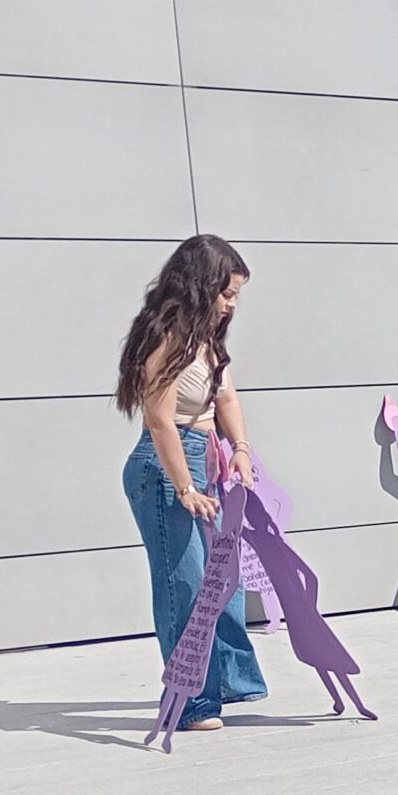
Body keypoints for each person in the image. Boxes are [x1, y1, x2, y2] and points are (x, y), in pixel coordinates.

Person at [115, 235, 266, 733]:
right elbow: (160, 420)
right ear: (201, 285)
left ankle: (226, 683)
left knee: (224, 581)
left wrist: (240, 449)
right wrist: (184, 488)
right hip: (165, 469)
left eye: (236, 295)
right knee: (186, 586)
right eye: (227, 293)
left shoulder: (206, 341)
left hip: (204, 463)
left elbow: (226, 399)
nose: (231, 304)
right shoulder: (168, 338)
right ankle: (192, 701)